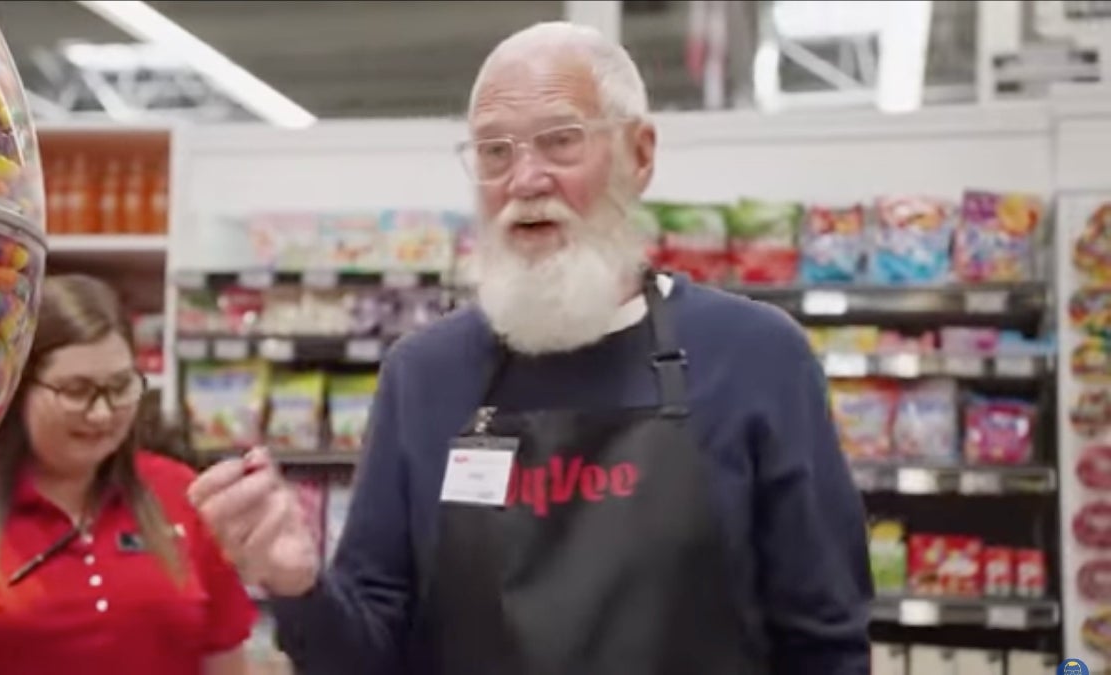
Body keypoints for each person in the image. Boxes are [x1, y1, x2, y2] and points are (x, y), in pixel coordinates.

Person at [189, 20, 873, 675]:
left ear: (639, 155)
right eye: (494, 151)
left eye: (560, 141)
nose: (525, 179)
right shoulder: (425, 375)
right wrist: (300, 588)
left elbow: (825, 642)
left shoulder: (754, 357)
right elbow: (370, 655)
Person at [0, 274, 257, 675]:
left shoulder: (181, 494)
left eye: (120, 386)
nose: (102, 413)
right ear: (17, 385)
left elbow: (224, 657)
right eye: (76, 390)